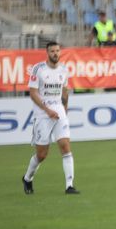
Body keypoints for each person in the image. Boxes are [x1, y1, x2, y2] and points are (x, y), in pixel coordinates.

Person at [22, 41, 80, 195]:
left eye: (57, 51)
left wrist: (64, 111)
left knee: (65, 146)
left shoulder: (63, 69)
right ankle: (27, 178)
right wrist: (47, 111)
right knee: (42, 155)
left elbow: (65, 91)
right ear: (47, 53)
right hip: (43, 114)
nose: (55, 53)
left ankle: (69, 185)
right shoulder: (38, 69)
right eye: (52, 51)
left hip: (59, 112)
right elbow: (33, 93)